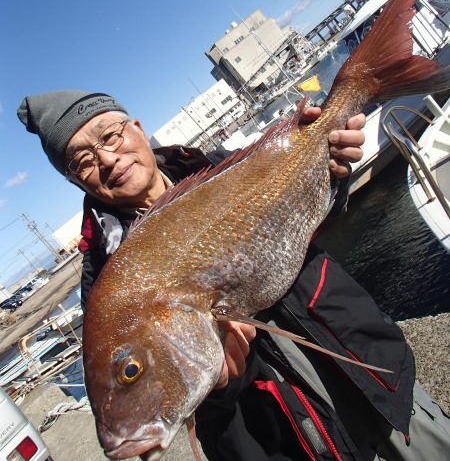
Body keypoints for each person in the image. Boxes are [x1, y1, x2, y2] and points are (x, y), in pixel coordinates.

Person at [18, 90, 450, 461]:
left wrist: (334, 171)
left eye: (110, 136)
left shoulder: (224, 165)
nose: (108, 159)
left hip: (378, 377)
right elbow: (207, 411)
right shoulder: (103, 288)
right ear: (76, 181)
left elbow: (312, 223)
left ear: (136, 126)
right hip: (297, 439)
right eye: (83, 161)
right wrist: (221, 390)